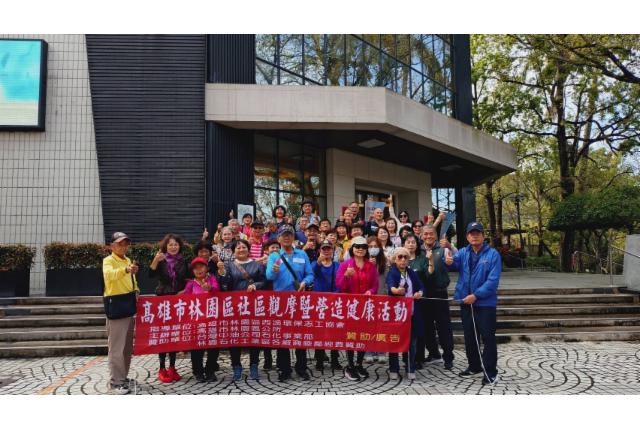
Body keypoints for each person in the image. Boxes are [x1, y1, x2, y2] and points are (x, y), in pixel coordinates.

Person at [445, 222, 502, 385]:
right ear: (467, 236)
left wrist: (476, 295)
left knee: (488, 337)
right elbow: (452, 263)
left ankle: (490, 372)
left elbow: (493, 281)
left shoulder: (493, 255)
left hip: (485, 303)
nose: (474, 236)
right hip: (466, 301)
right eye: (471, 233)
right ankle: (474, 366)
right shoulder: (463, 252)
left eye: (478, 233)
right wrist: (447, 260)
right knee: (470, 337)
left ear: (483, 236)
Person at [266, 224, 314, 382]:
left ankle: (301, 368)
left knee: (300, 335)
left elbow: (310, 274)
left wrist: (305, 282)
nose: (286, 237)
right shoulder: (274, 256)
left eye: (289, 235)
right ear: (278, 238)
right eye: (283, 235)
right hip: (281, 302)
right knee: (282, 336)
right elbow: (269, 277)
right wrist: (273, 270)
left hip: (300, 300)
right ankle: (284, 369)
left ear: (294, 237)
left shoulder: (302, 254)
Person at [218, 239, 266, 381]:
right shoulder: (229, 265)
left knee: (254, 336)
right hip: (235, 307)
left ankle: (254, 365)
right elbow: (224, 285)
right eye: (238, 248)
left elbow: (264, 281)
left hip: (253, 305)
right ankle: (236, 366)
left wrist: (256, 285)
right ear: (234, 251)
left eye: (244, 247)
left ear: (248, 249)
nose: (241, 249)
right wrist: (222, 273)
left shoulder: (257, 264)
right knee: (235, 337)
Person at [336, 236, 378, 381]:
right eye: (357, 246)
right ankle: (350, 365)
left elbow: (375, 285)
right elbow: (339, 285)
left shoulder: (370, 266)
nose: (360, 249)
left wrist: (370, 291)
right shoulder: (345, 265)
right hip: (351, 307)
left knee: (363, 335)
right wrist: (346, 276)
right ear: (352, 249)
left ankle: (359, 364)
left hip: (365, 306)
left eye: (363, 247)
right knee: (350, 335)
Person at [103, 232, 139, 395]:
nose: (123, 247)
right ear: (112, 246)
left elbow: (132, 281)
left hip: (128, 304)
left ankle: (123, 377)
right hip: (116, 305)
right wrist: (125, 269)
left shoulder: (127, 260)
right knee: (116, 347)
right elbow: (109, 275)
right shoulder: (108, 261)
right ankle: (115, 382)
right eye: (119, 244)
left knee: (127, 347)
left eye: (125, 244)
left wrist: (136, 290)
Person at [149, 233, 189, 383]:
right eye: (170, 244)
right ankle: (162, 368)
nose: (173, 247)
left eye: (176, 244)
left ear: (179, 246)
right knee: (163, 335)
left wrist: (184, 291)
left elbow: (189, 279)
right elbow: (150, 275)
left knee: (174, 335)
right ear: (166, 246)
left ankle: (172, 367)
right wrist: (155, 260)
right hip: (163, 300)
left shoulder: (183, 261)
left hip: (178, 301)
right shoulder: (161, 259)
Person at [419, 224, 455, 370]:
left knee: (443, 326)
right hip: (423, 294)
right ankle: (434, 353)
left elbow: (453, 261)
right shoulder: (417, 251)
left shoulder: (444, 249)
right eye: (425, 234)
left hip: (440, 292)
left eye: (431, 233)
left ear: (435, 235)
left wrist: (450, 259)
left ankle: (448, 357)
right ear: (421, 236)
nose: (428, 236)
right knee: (427, 327)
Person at [386, 247, 425, 380]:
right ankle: (394, 368)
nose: (403, 260)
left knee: (412, 342)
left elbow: (420, 286)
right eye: (400, 257)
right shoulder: (392, 272)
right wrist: (396, 290)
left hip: (412, 312)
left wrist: (420, 292)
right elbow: (391, 285)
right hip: (396, 314)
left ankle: (410, 367)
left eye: (405, 257)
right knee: (394, 340)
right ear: (395, 259)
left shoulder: (411, 272)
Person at [181, 257, 221, 383]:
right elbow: (186, 300)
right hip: (197, 321)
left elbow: (217, 290)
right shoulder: (190, 284)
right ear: (192, 271)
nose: (199, 270)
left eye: (201, 267)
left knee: (213, 347)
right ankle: (198, 372)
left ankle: (210, 371)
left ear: (206, 268)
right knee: (197, 348)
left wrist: (210, 288)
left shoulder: (212, 279)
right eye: (196, 268)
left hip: (212, 319)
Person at [311, 240, 342, 371]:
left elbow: (340, 282)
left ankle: (335, 359)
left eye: (329, 249)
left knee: (335, 331)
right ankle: (319, 359)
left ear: (332, 250)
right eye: (324, 249)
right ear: (320, 251)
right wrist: (319, 262)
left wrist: (335, 296)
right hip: (319, 303)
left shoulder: (338, 265)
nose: (326, 251)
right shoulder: (315, 264)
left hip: (334, 302)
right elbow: (312, 273)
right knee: (319, 331)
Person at [364, 236, 389, 365]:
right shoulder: (363, 261)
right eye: (370, 247)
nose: (373, 249)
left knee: (381, 327)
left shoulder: (385, 262)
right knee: (368, 326)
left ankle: (381, 351)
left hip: (381, 297)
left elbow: (387, 279)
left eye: (375, 246)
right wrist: (369, 266)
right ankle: (368, 351)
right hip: (367, 298)